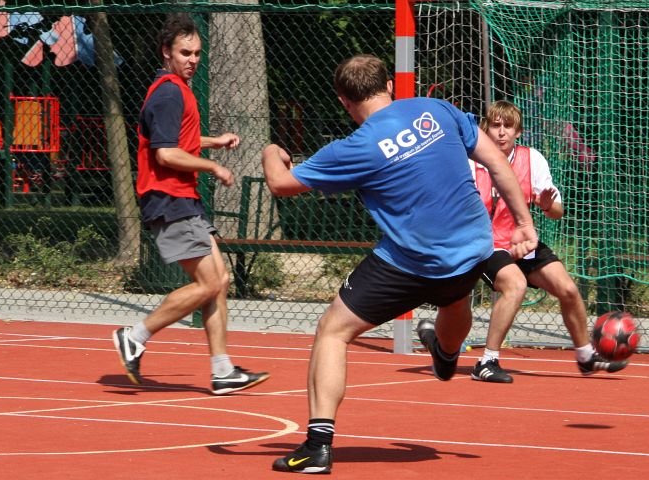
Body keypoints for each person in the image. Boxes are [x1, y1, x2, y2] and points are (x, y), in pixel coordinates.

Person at [261, 54, 537, 474]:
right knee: (454, 296)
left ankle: (317, 447)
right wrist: (523, 224)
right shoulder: (436, 110)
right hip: (471, 249)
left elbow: (281, 183)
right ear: (389, 85)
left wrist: (270, 151)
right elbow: (496, 162)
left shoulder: (355, 147)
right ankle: (446, 353)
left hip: (410, 263)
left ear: (344, 101)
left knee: (332, 331)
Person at [112, 13, 269, 395]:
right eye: (185, 53)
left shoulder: (177, 90)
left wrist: (214, 141)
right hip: (170, 199)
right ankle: (135, 336)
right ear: (166, 52)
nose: (193, 60)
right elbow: (165, 154)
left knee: (219, 282)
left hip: (182, 198)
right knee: (210, 282)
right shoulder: (168, 92)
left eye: (197, 53)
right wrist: (213, 166)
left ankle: (222, 370)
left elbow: (176, 139)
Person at [467, 100, 627, 383]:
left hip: (524, 243)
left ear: (518, 132)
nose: (502, 132)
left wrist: (546, 204)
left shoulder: (533, 159)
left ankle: (585, 356)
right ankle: (487, 361)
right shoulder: (471, 163)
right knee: (515, 286)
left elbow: (557, 212)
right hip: (487, 246)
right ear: (485, 129)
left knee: (568, 289)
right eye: (496, 125)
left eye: (508, 126)